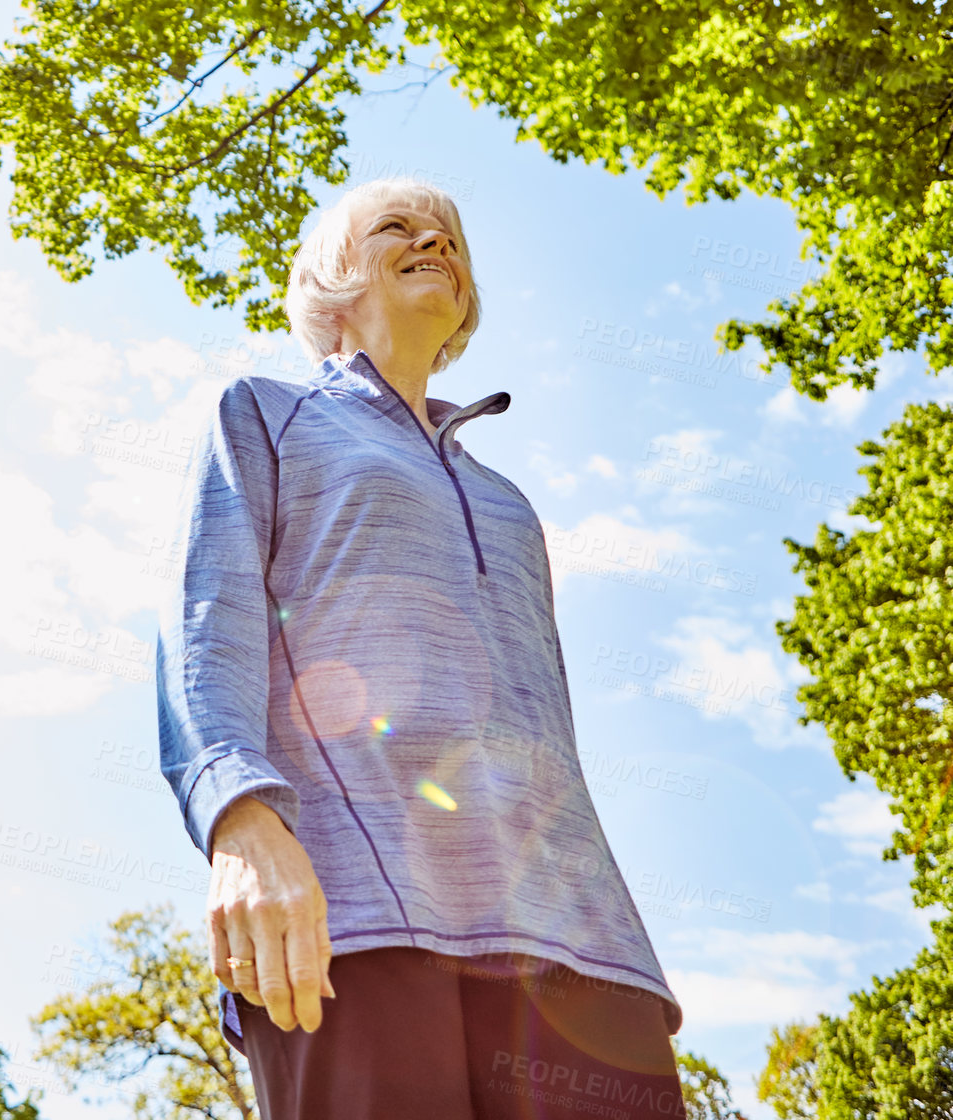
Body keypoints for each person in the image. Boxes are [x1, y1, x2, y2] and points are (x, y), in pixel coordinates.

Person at [157, 179, 686, 1119]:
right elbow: (209, 623)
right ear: (332, 275)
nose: (433, 239)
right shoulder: (263, 414)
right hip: (353, 914)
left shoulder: (509, 503)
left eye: (448, 234)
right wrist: (238, 821)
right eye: (396, 229)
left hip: (578, 936)